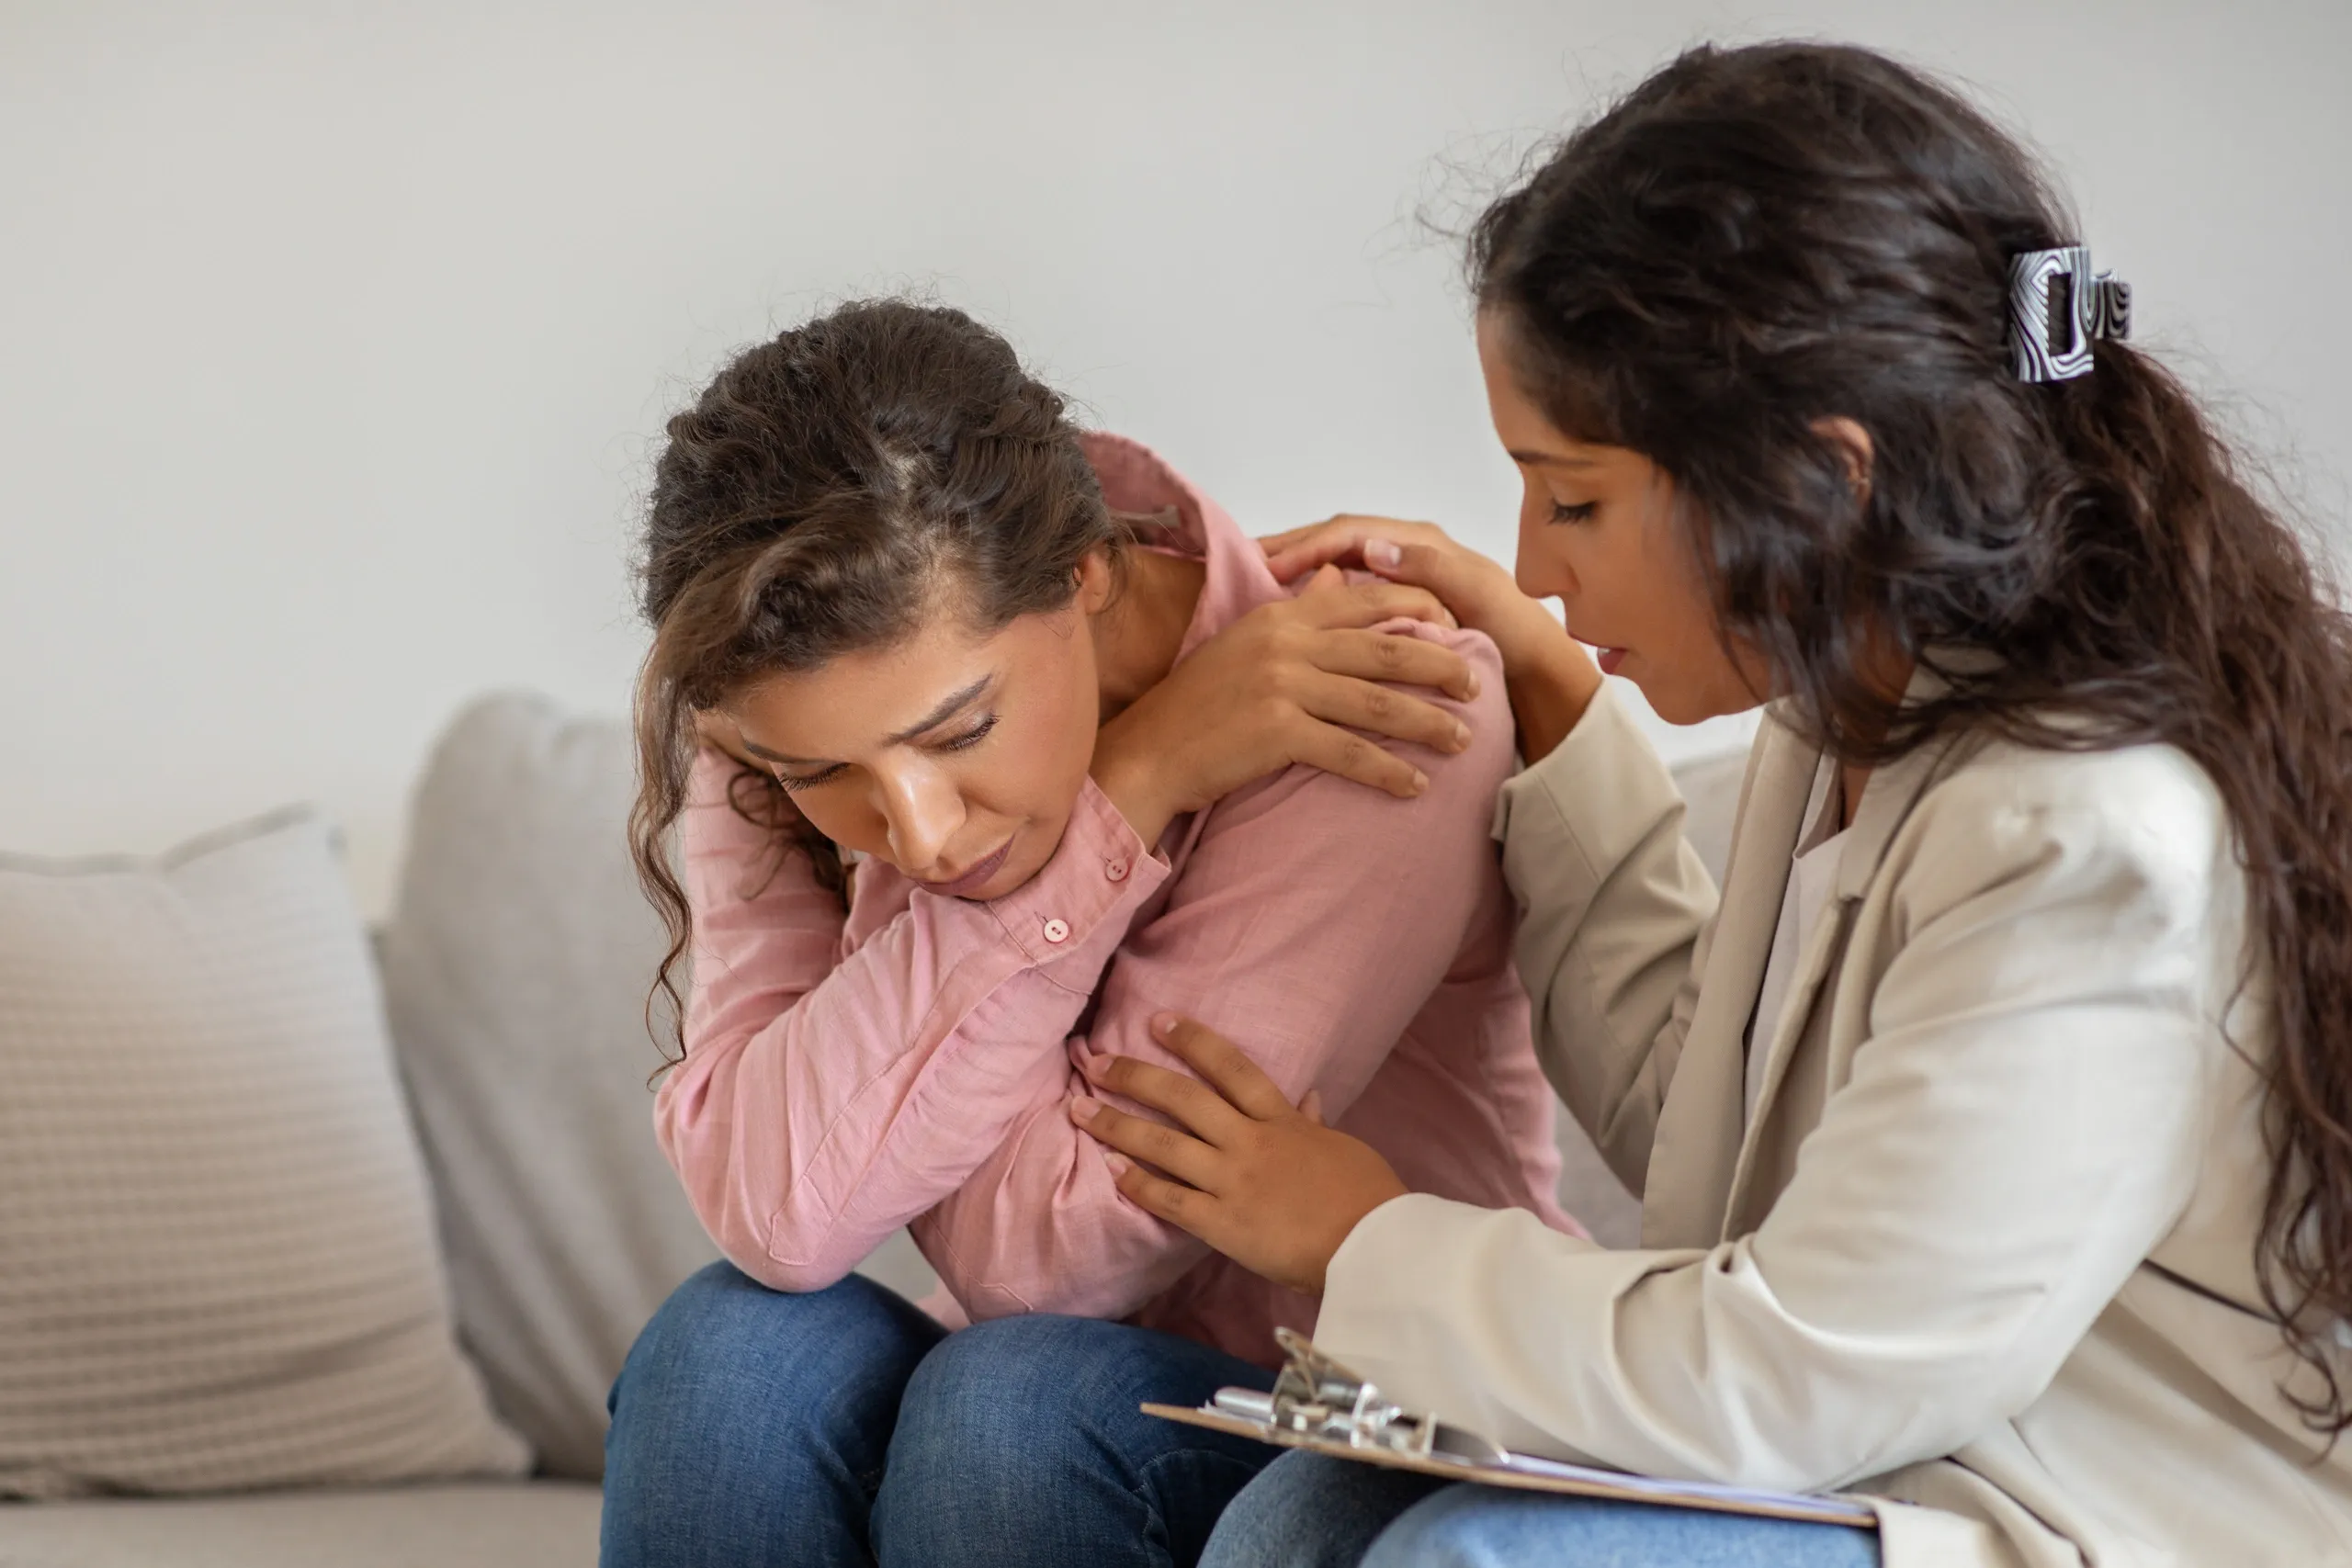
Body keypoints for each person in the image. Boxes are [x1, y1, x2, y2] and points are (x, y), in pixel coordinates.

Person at [1070, 41, 2352, 1568]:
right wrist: (1554, 705)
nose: (1534, 562)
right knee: (1296, 1517)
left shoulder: (2089, 836)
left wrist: (1357, 1237)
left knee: (1464, 1563)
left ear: (1824, 480)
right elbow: (1721, 1131)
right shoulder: (1852, 699)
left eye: (1578, 497)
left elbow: (1803, 1372)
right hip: (1897, 1449)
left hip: (2068, 1508)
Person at [598, 299, 1582, 1568]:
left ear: (1084, 572)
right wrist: (1136, 780)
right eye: (826, 776)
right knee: (727, 1354)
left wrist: (1048, 873)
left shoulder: (1372, 694)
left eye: (959, 732)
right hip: (1026, 1409)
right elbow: (776, 1207)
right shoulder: (764, 731)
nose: (924, 834)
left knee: (1014, 1397)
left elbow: (1052, 1256)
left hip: (1361, 1408)